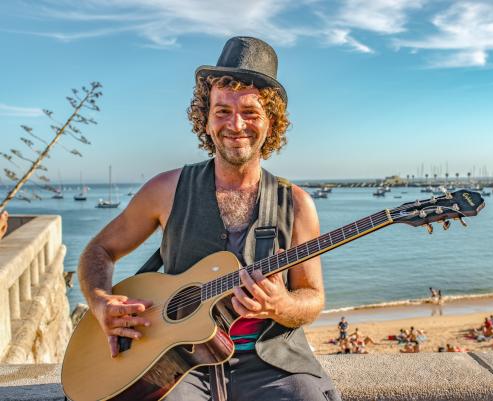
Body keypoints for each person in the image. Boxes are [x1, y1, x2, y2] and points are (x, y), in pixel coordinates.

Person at [77, 36, 340, 400]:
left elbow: (312, 296)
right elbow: (100, 250)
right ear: (205, 118)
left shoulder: (297, 204)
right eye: (222, 111)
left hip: (271, 362)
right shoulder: (165, 190)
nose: (236, 125)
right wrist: (100, 302)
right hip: (178, 362)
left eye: (250, 112)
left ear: (271, 123)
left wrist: (281, 305)